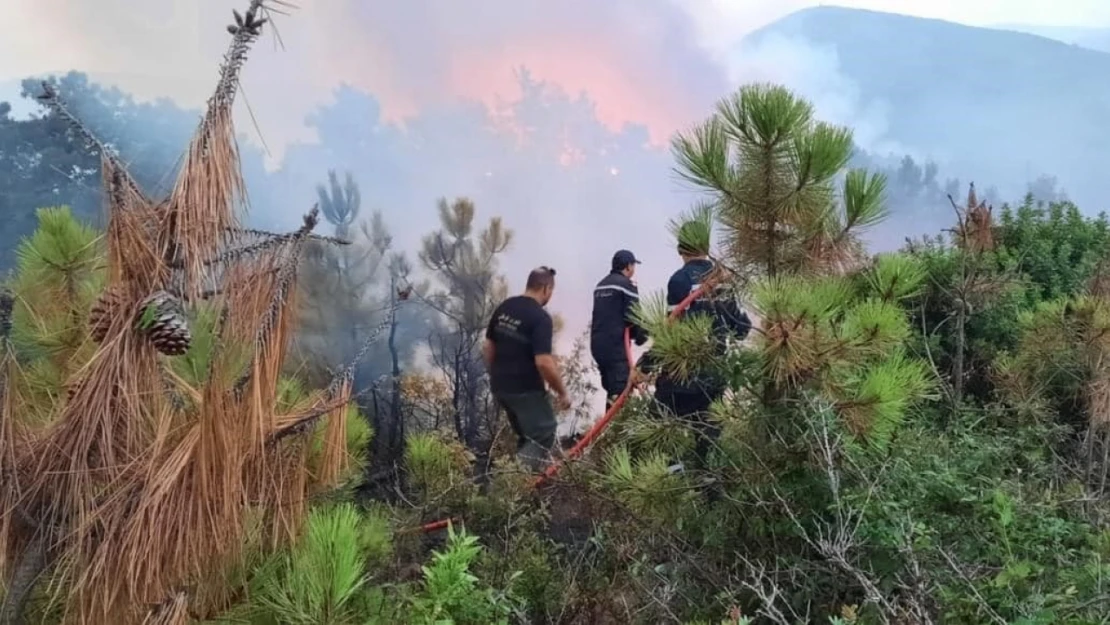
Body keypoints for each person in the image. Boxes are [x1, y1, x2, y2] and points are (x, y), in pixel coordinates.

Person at [635, 231, 752, 475]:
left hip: (681, 379)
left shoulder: (679, 281)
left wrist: (644, 367)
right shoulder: (724, 280)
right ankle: (706, 489)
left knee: (660, 428)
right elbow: (741, 330)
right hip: (715, 377)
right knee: (707, 442)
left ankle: (673, 484)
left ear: (680, 250)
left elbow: (671, 334)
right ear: (705, 247)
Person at [483, 266, 571, 472]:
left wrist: (496, 373)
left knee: (527, 436)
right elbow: (543, 362)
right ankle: (512, 489)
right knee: (544, 433)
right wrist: (562, 392)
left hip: (500, 387)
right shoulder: (540, 318)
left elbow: (488, 347)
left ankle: (525, 492)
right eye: (551, 290)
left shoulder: (505, 307)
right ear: (546, 288)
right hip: (525, 389)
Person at [589, 249, 649, 410]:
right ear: (628, 266)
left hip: (597, 347)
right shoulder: (626, 285)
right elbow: (634, 316)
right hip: (616, 349)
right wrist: (643, 336)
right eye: (633, 266)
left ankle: (607, 430)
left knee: (613, 390)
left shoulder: (600, 285)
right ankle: (614, 432)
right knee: (621, 394)